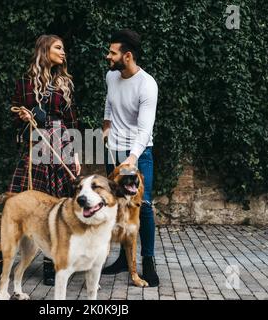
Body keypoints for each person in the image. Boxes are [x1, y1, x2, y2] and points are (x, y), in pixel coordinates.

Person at [0, 34, 81, 287]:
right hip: (34, 148)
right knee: (14, 205)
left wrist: (75, 153)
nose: (63, 52)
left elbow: (72, 120)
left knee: (55, 208)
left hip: (60, 147)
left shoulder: (65, 82)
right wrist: (23, 115)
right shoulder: (25, 82)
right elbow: (14, 111)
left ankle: (52, 265)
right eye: (58, 47)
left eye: (63, 48)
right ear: (44, 50)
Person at [101, 29, 159, 287]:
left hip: (139, 153)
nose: (108, 56)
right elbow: (109, 104)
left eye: (112, 52)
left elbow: (145, 129)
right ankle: (124, 260)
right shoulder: (111, 76)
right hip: (113, 152)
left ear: (127, 56)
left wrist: (132, 159)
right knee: (116, 206)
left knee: (142, 206)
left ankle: (148, 261)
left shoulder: (147, 84)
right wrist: (105, 127)